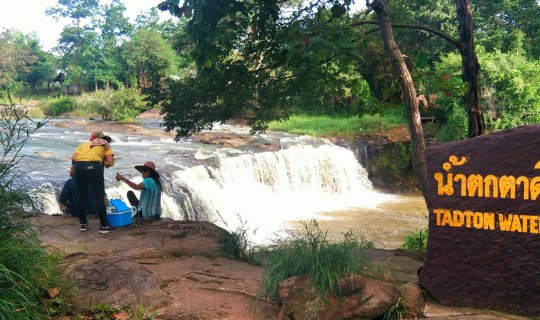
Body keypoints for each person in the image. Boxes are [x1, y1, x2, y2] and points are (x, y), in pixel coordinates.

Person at [71, 131, 115, 233]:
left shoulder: (83, 145)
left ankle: (83, 224)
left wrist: (74, 167)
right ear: (103, 138)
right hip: (94, 166)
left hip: (79, 166)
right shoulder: (106, 145)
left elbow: (73, 158)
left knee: (81, 196)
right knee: (98, 196)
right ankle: (104, 226)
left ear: (92, 138)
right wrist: (106, 163)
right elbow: (110, 162)